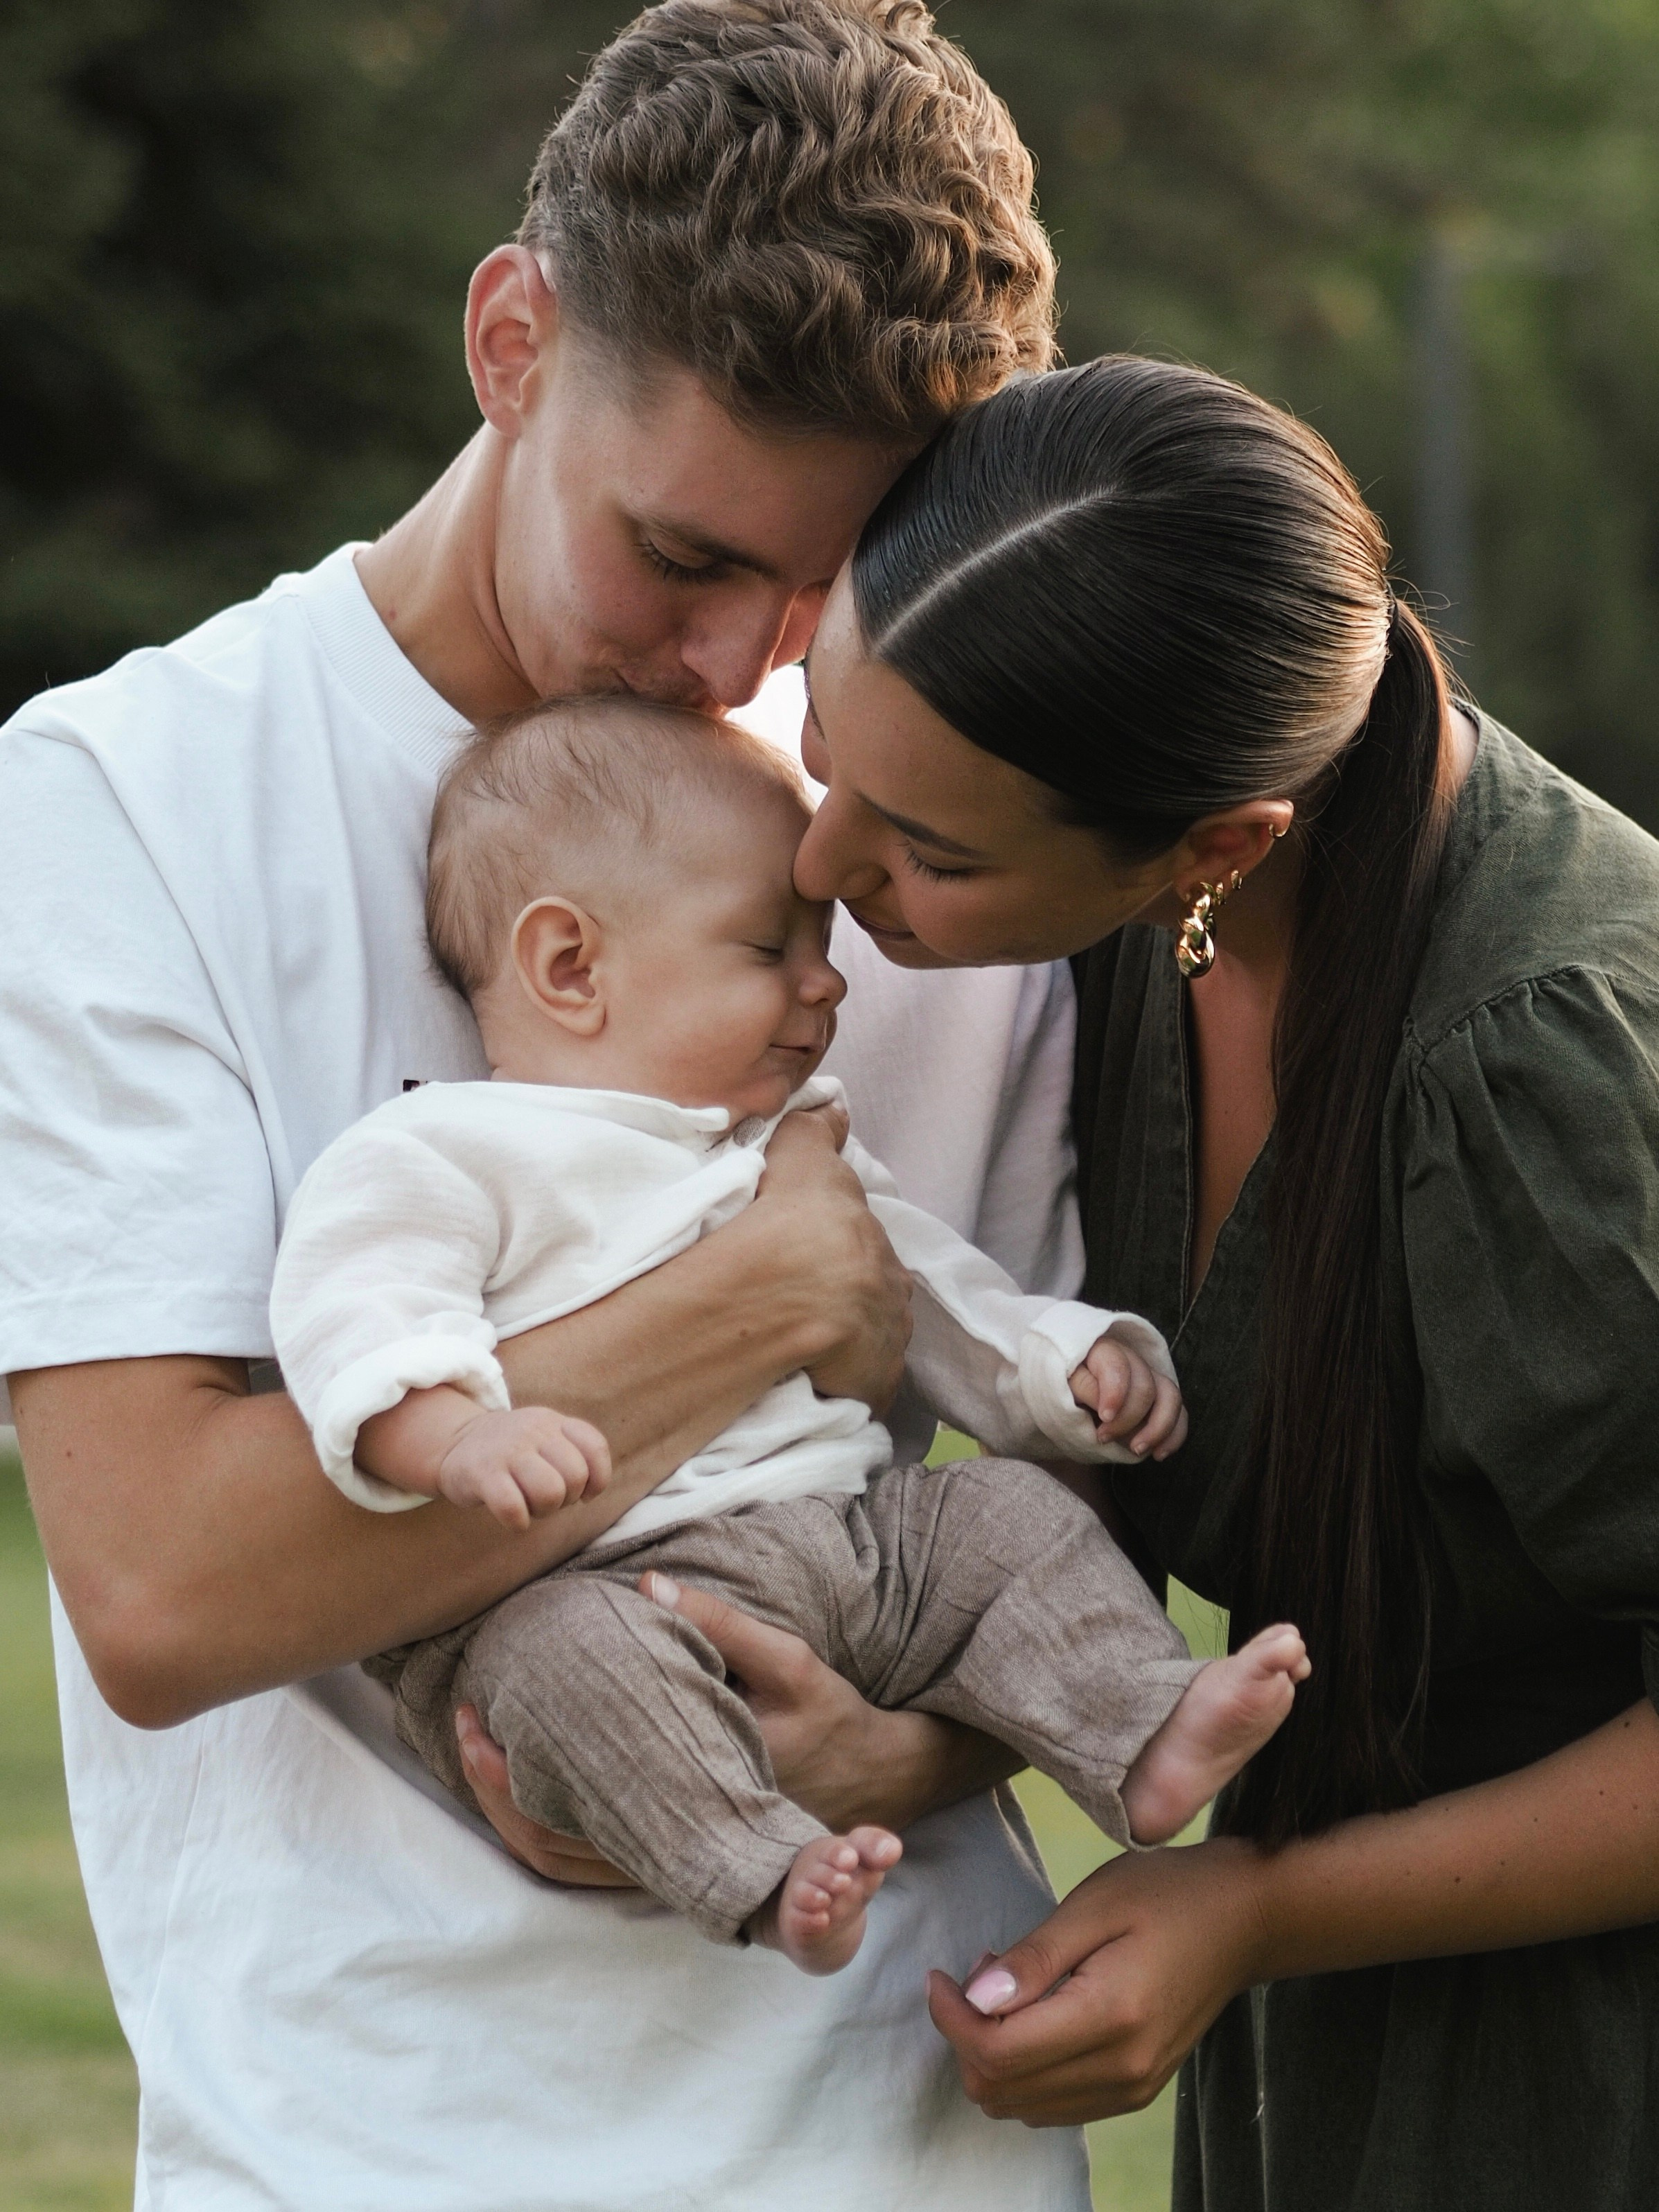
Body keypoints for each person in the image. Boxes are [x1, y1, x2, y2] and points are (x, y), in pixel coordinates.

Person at [0, 6, 1102, 2205]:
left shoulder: (949, 830)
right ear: (511, 340)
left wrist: (895, 1733)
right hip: (357, 2152)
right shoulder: (119, 808)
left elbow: (1111, 1504)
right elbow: (163, 1594)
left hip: (893, 2130)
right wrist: (769, 1293)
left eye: (835, 577)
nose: (749, 661)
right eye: (687, 553)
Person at [791, 353, 1659, 2211]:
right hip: (1318, 2026)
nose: (820, 862)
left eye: (927, 852)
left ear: (1222, 845)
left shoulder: (1548, 1069)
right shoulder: (1126, 941)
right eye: (820, 744)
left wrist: (1257, 1909)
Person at [270, 694, 1309, 1969]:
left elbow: (934, 1292)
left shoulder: (791, 1141)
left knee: (1009, 1521)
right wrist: (453, 1441)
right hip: (596, 1587)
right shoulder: (445, 1150)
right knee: (561, 1666)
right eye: (770, 947)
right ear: (569, 966)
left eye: (820, 946)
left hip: (845, 1553)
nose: (824, 982)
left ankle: (1142, 1731)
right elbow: (357, 1311)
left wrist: (1062, 1366)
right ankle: (763, 1869)